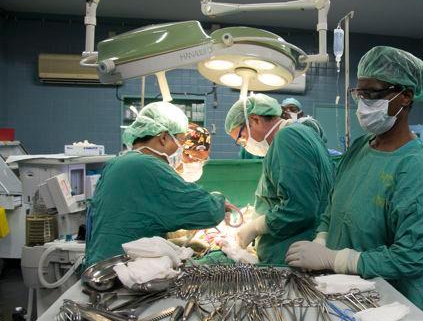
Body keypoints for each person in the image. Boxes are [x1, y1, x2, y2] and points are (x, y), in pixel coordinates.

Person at [285, 46, 423, 313]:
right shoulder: (360, 147)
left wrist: (337, 260)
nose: (363, 103)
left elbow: (411, 257)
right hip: (340, 291)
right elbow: (333, 205)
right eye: (360, 94)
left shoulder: (418, 172)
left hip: (389, 307)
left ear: (405, 96)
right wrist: (321, 240)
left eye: (373, 93)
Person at [85, 102, 227, 267]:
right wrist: (220, 201)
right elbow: (208, 212)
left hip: (102, 266)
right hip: (124, 271)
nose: (180, 149)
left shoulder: (116, 163)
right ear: (163, 137)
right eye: (180, 141)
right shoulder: (148, 166)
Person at [225, 93, 334, 265]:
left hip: (290, 255)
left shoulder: (288, 138)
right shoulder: (302, 135)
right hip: (296, 252)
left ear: (255, 120)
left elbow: (299, 207)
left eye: (242, 138)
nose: (245, 145)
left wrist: (256, 227)